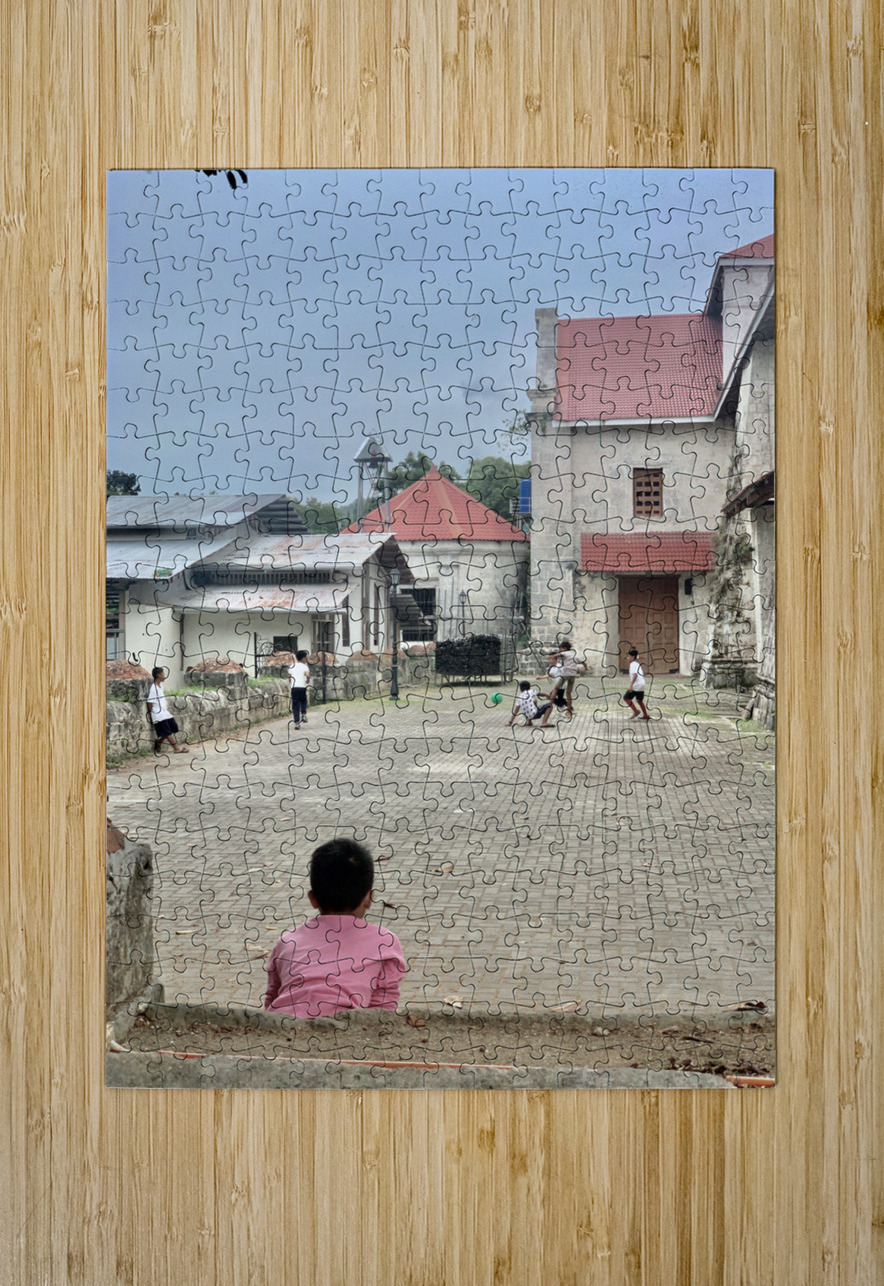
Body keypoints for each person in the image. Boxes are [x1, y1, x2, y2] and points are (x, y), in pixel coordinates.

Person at [264, 838, 406, 1018]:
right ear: (369, 898)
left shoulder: (286, 942)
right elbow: (382, 1011)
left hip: (285, 1027)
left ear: (313, 898)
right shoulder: (385, 942)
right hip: (343, 1031)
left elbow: (271, 1001)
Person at [147, 667, 187, 754]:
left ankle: (159, 742)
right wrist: (150, 715)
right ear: (158, 675)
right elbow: (149, 702)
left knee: (173, 727)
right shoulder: (154, 688)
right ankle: (176, 748)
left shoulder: (160, 686)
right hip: (158, 713)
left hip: (164, 712)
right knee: (167, 731)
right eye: (163, 674)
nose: (164, 676)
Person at [551, 640, 586, 716]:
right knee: (568, 694)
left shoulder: (564, 653)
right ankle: (569, 711)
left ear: (564, 648)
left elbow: (556, 656)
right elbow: (583, 662)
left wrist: (552, 656)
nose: (560, 649)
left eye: (560, 647)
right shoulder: (574, 655)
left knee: (556, 688)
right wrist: (586, 668)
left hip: (566, 674)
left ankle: (549, 706)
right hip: (573, 675)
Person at [624, 647, 650, 720]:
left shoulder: (633, 664)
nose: (627, 658)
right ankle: (645, 715)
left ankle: (636, 711)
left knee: (626, 698)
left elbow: (635, 675)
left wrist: (631, 685)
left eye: (628, 656)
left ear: (632, 657)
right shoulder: (637, 664)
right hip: (642, 684)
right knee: (639, 700)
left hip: (637, 685)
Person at [288, 649, 310, 728]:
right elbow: (307, 675)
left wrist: (292, 684)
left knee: (295, 705)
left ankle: (296, 722)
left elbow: (289, 678)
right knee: (303, 701)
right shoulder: (305, 667)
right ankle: (303, 715)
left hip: (294, 687)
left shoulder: (292, 666)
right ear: (303, 658)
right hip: (302, 687)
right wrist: (307, 680)